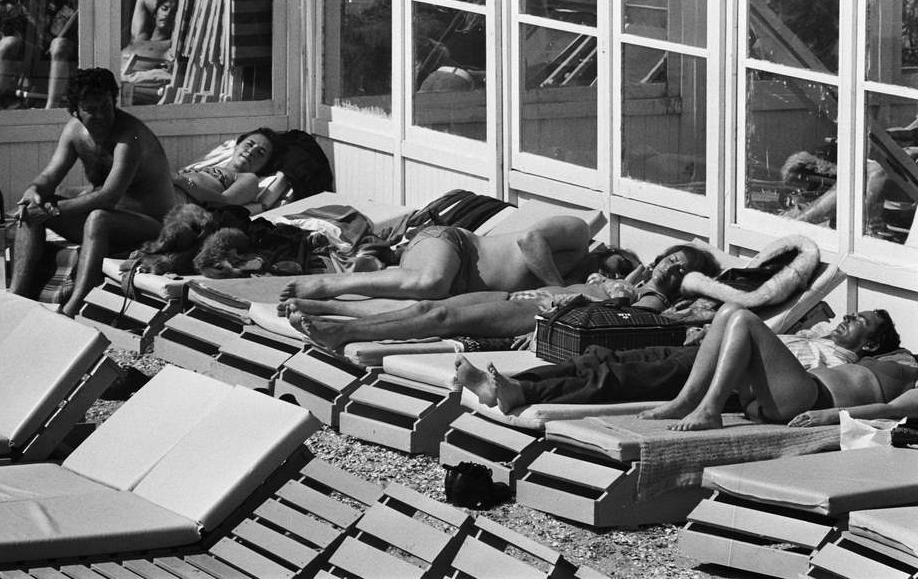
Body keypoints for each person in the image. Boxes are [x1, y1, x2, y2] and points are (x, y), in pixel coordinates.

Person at [456, 307, 903, 414]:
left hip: (732, 379)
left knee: (620, 376)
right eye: (847, 315)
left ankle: (523, 393)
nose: (845, 320)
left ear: (869, 347)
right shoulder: (816, 334)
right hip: (706, 354)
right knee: (600, 356)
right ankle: (512, 380)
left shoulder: (840, 357)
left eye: (857, 322)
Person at [285, 244, 719, 352]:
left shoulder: (656, 305)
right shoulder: (635, 278)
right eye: (670, 258)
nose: (669, 267)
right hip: (515, 294)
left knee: (438, 319)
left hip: (537, 312)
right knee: (424, 308)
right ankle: (328, 312)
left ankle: (343, 333)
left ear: (689, 281)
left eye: (681, 269)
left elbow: (631, 324)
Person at [9, 68, 176, 317]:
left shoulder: (130, 135)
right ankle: (16, 297)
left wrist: (51, 211)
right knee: (30, 209)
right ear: (76, 110)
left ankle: (72, 308)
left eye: (105, 106)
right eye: (91, 109)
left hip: (150, 226)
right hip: (109, 220)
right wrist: (34, 193)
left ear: (114, 101)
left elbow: (109, 196)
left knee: (97, 218)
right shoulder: (74, 131)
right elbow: (49, 177)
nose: (100, 116)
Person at [634, 303, 908, 431]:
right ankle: (686, 400)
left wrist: (832, 416)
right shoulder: (883, 359)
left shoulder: (909, 373)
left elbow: (891, 410)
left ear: (872, 344)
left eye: (862, 320)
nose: (849, 316)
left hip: (810, 400)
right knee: (729, 310)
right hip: (776, 395)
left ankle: (709, 410)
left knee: (743, 318)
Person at [282, 215, 614, 303]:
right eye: (611, 269)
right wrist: (556, 288)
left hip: (455, 280)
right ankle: (327, 284)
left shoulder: (580, 288)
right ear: (607, 255)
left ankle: (382, 266)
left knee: (431, 288)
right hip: (454, 244)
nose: (598, 279)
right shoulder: (578, 233)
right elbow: (530, 240)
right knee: (432, 282)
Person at [171, 128, 281, 207]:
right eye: (249, 144)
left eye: (260, 153)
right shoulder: (205, 166)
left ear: (266, 165)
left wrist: (184, 182)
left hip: (181, 200)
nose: (251, 151)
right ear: (237, 145)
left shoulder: (248, 178)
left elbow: (225, 202)